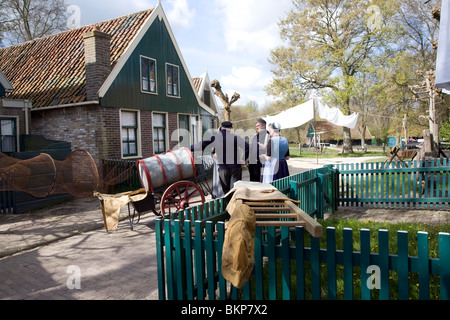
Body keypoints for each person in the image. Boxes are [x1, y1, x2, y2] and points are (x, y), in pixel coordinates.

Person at [191, 121, 249, 195]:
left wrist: (188, 148)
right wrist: (243, 159)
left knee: (226, 191)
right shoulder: (235, 137)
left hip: (223, 168)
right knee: (236, 189)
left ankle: (227, 205)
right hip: (235, 167)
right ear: (230, 128)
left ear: (221, 128)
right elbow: (247, 147)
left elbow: (201, 145)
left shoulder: (216, 138)